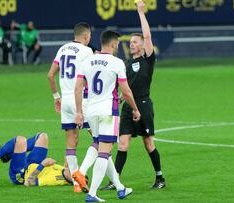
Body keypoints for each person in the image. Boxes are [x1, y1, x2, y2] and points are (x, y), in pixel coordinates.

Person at [101, 0, 166, 190]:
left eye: (135, 41)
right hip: (129, 106)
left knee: (148, 143)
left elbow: (147, 34)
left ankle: (160, 177)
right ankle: (115, 180)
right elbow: (126, 87)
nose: (131, 44)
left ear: (143, 45)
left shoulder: (148, 59)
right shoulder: (126, 64)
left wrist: (140, 11)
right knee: (122, 144)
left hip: (144, 105)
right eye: (130, 42)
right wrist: (122, 97)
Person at [73, 30, 141, 202]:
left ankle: (120, 188)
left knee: (99, 145)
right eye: (117, 44)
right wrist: (134, 108)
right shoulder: (117, 63)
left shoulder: (87, 61)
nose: (117, 46)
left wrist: (79, 112)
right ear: (113, 44)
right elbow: (125, 91)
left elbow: (78, 88)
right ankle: (92, 194)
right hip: (109, 111)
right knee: (105, 151)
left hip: (92, 111)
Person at [48, 22, 94, 193]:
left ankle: (76, 183)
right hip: (80, 99)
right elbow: (91, 75)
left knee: (71, 142)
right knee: (99, 139)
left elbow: (50, 75)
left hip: (65, 100)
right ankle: (85, 174)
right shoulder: (86, 51)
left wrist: (56, 97)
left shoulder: (62, 49)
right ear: (86, 36)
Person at [0, 132, 73, 186]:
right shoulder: (65, 171)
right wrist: (67, 163)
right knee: (43, 137)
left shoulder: (54, 179)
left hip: (22, 175)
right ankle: (9, 154)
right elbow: (67, 167)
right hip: (33, 164)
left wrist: (43, 165)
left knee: (20, 140)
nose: (76, 171)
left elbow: (28, 182)